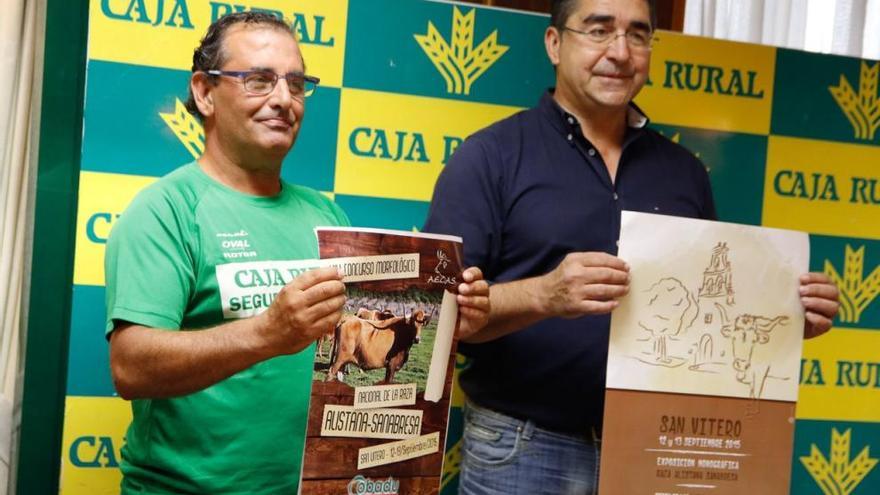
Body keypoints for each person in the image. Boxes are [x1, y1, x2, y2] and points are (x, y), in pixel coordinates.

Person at [423, 0, 840, 494]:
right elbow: (435, 313)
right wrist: (544, 294)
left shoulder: (684, 172)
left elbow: (712, 320)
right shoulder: (490, 157)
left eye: (637, 35)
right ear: (555, 44)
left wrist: (787, 320)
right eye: (599, 30)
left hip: (661, 448)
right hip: (523, 447)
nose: (620, 52)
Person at [104, 12, 489, 494]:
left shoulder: (326, 217)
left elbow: (370, 340)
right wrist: (268, 333)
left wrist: (452, 318)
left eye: (297, 83)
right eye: (259, 80)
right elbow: (130, 366)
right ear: (204, 92)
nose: (284, 100)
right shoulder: (166, 211)